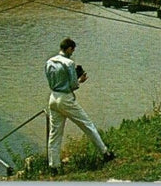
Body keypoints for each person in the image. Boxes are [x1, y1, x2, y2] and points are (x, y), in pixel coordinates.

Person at [44, 37, 114, 174]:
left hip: (53, 97)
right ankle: (105, 153)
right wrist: (80, 80)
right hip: (66, 98)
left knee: (55, 134)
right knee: (87, 124)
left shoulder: (49, 62)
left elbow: (51, 80)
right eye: (72, 50)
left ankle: (54, 166)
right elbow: (73, 85)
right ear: (69, 48)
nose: (73, 52)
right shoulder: (69, 63)